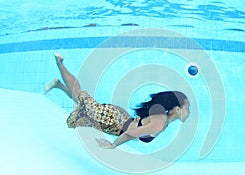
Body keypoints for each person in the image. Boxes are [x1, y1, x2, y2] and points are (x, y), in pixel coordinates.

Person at [45, 52, 190, 149]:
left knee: (83, 102)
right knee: (81, 96)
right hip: (112, 121)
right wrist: (113, 146)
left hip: (117, 118)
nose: (188, 113)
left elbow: (136, 131)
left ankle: (59, 85)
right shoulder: (161, 121)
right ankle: (60, 63)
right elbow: (130, 133)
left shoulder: (162, 120)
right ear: (177, 108)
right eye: (187, 108)